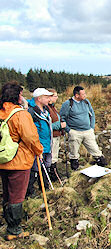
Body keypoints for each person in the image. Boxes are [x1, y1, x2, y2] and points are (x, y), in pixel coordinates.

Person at [0, 82, 43, 240]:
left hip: (3, 158)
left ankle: (9, 222)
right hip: (19, 160)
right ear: (16, 96)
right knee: (17, 196)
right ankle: (14, 229)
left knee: (7, 194)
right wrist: (38, 150)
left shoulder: (2, 112)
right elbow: (30, 137)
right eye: (20, 94)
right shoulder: (20, 114)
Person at [60, 86, 107, 170]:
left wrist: (91, 127)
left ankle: (103, 166)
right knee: (74, 154)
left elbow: (92, 114)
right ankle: (75, 171)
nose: (85, 95)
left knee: (95, 150)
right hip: (75, 132)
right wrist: (69, 130)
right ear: (77, 95)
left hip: (88, 131)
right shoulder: (68, 104)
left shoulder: (86, 102)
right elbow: (62, 118)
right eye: (83, 94)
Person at [26, 88, 54, 197]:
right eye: (46, 97)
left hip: (47, 145)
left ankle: (45, 189)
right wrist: (36, 146)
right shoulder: (31, 111)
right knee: (33, 170)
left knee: (45, 168)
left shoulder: (46, 110)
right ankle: (29, 192)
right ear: (39, 98)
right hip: (36, 147)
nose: (49, 99)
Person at [46, 89, 66, 181]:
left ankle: (54, 174)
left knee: (54, 155)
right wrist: (59, 125)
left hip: (56, 135)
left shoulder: (52, 107)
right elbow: (47, 124)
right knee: (52, 156)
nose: (57, 98)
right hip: (51, 136)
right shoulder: (47, 108)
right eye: (55, 96)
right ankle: (52, 175)